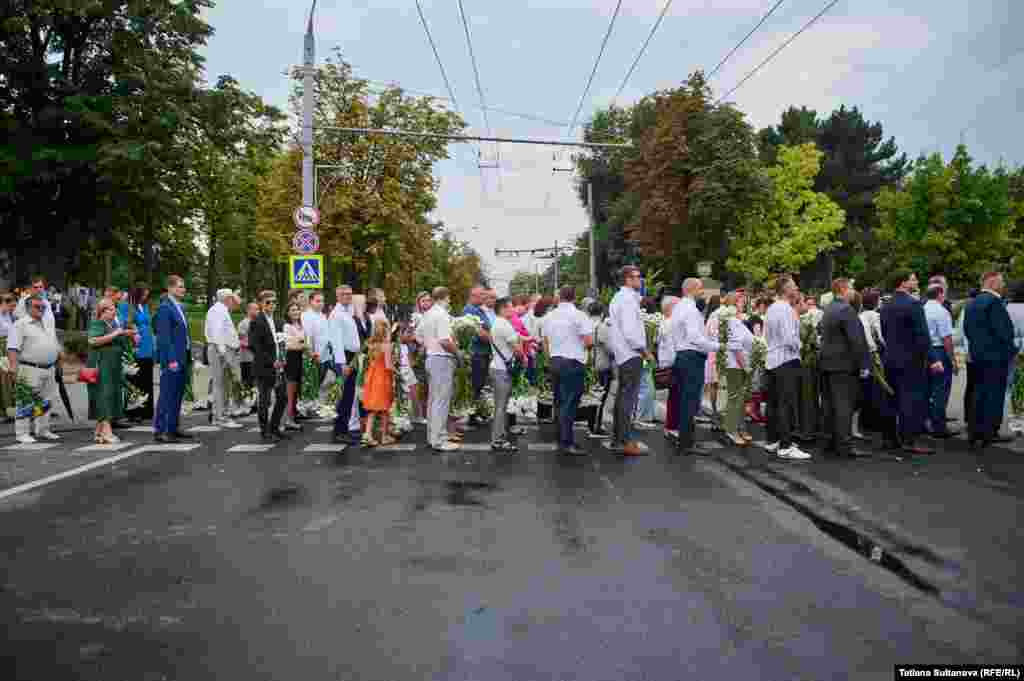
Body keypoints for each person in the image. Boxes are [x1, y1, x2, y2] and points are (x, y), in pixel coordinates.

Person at [880, 270, 934, 455]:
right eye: (913, 279)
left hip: (891, 357)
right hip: (910, 359)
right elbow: (923, 335)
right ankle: (909, 440)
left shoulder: (886, 305)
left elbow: (885, 331)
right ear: (903, 283)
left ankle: (889, 438)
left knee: (891, 399)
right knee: (910, 399)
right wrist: (931, 358)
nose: (916, 280)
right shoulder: (914, 304)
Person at [963, 271, 1017, 450]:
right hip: (996, 356)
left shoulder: (971, 303)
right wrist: (1012, 351)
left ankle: (975, 431)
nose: (1003, 285)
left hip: (978, 355)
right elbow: (1004, 332)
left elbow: (968, 330)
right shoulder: (994, 303)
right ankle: (989, 433)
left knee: (978, 393)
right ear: (992, 282)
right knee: (994, 395)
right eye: (1001, 281)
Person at [818, 279, 871, 458]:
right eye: (851, 288)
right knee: (843, 406)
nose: (853, 292)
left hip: (827, 363)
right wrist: (864, 364)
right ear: (843, 289)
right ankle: (844, 445)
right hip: (843, 365)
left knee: (829, 405)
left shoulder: (829, 309)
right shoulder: (846, 310)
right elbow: (856, 340)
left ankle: (829, 441)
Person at [669, 278, 722, 456]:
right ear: (692, 289)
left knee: (685, 401)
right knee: (690, 402)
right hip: (692, 357)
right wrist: (716, 346)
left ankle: (686, 440)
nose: (703, 292)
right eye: (700, 288)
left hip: (683, 356)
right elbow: (695, 337)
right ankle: (686, 443)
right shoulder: (690, 309)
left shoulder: (679, 307)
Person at [542, 286, 594, 456]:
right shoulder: (580, 315)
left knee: (558, 401)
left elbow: (545, 341)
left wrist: (550, 359)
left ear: (559, 298)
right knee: (570, 403)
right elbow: (588, 341)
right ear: (574, 297)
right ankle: (567, 442)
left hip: (555, 360)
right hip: (573, 362)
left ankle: (560, 437)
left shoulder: (549, 316)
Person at [763, 277, 811, 460]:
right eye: (794, 286)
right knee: (785, 403)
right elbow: (790, 338)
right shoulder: (786, 309)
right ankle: (785, 445)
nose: (797, 288)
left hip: (772, 359)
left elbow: (769, 336)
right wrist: (800, 346)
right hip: (786, 360)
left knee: (774, 403)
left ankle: (772, 440)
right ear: (786, 289)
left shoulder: (772, 308)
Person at [7, 293, 63, 444]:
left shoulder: (48, 323)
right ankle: (22, 432)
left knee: (46, 401)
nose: (41, 309)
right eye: (37, 306)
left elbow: (54, 344)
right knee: (25, 400)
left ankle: (43, 429)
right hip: (29, 367)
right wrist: (13, 368)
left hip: (49, 367)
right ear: (27, 307)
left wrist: (58, 362)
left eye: (43, 306)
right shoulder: (20, 324)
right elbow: (12, 348)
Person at [608, 266, 649, 456]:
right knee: (628, 398)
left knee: (623, 398)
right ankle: (624, 440)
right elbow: (631, 332)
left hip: (623, 353)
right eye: (636, 277)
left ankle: (619, 438)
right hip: (631, 353)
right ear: (626, 279)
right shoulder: (627, 300)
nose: (639, 280)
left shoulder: (622, 298)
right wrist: (644, 351)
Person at [153, 275, 193, 443]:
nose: (182, 290)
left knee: (177, 394)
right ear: (169, 288)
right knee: (167, 394)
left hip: (183, 356)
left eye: (183, 287)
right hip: (173, 358)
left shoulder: (179, 307)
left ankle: (173, 427)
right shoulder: (165, 308)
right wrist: (170, 359)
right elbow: (164, 337)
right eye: (179, 287)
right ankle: (161, 430)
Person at [420, 286, 460, 452]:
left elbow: (419, 336)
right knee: (441, 401)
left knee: (433, 400)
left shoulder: (428, 314)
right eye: (449, 298)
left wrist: (430, 345)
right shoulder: (441, 314)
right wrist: (458, 352)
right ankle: (439, 439)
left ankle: (432, 437)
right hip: (442, 359)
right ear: (445, 297)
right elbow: (444, 341)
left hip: (431, 357)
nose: (449, 301)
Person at [249, 291, 287, 441]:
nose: (272, 305)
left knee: (283, 397)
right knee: (264, 400)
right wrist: (272, 361)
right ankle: (265, 431)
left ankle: (274, 427)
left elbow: (282, 342)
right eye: (268, 302)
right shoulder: (256, 321)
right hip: (264, 367)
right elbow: (255, 347)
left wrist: (282, 358)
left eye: (274, 302)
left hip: (280, 366)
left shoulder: (279, 321)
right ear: (261, 304)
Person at [719, 292, 756, 447]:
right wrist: (745, 365)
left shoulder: (738, 321)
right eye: (741, 302)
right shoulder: (732, 321)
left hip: (741, 363)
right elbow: (735, 346)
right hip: (736, 364)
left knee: (741, 398)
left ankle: (740, 427)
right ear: (734, 304)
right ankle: (731, 430)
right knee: (735, 398)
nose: (743, 304)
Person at [204, 289, 244, 430]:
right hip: (221, 350)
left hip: (223, 349)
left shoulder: (221, 309)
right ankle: (221, 417)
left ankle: (220, 415)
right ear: (228, 299)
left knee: (223, 384)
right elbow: (217, 332)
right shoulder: (218, 310)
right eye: (234, 300)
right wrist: (223, 352)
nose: (236, 304)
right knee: (221, 385)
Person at [923, 284, 957, 438]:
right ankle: (939, 427)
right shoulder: (942, 312)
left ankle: (926, 421)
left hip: (925, 351)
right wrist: (953, 359)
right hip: (939, 350)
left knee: (927, 389)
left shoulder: (922, 309)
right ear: (940, 294)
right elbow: (947, 338)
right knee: (940, 390)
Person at [328, 286, 361, 445]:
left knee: (349, 395)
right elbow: (336, 341)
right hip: (344, 358)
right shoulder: (336, 314)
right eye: (344, 294)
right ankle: (339, 431)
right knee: (344, 396)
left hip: (352, 356)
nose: (348, 296)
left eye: (350, 294)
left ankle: (344, 428)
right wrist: (342, 364)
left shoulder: (347, 312)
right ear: (338, 296)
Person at [489, 297, 523, 453]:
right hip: (502, 370)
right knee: (501, 407)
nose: (513, 309)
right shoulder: (504, 325)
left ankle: (500, 435)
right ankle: (498, 440)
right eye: (510, 307)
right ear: (503, 309)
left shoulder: (497, 323)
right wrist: (521, 347)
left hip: (497, 367)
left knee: (500, 405)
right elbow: (517, 350)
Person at [360, 318, 395, 447]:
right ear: (386, 331)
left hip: (372, 377)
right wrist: (397, 371)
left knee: (373, 408)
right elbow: (388, 365)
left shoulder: (370, 344)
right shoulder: (387, 346)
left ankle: (367, 434)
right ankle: (384, 436)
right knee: (385, 408)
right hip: (383, 377)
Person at [123, 285, 155, 423]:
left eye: (147, 295)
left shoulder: (145, 307)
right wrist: (134, 330)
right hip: (136, 345)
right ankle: (134, 411)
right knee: (136, 379)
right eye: (143, 295)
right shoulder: (129, 307)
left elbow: (149, 322)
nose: (145, 297)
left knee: (146, 378)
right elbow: (126, 323)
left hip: (147, 344)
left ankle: (146, 410)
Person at [462, 287, 493, 427]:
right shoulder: (470, 310)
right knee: (475, 384)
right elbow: (479, 332)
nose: (484, 298)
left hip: (483, 352)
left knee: (479, 384)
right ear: (473, 295)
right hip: (476, 353)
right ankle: (471, 415)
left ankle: (475, 412)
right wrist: (496, 340)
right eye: (482, 295)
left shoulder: (479, 310)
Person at [301, 291, 332, 410]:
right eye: (317, 301)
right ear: (310, 302)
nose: (321, 304)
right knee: (312, 378)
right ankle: (307, 403)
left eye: (322, 301)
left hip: (325, 354)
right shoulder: (307, 316)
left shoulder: (323, 315)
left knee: (320, 379)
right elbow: (308, 336)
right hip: (314, 354)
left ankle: (314, 400)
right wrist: (312, 353)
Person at [587, 302, 613, 439]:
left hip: (587, 365)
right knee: (600, 398)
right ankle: (595, 426)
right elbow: (610, 348)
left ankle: (590, 424)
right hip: (601, 365)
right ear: (602, 313)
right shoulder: (601, 327)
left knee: (590, 397)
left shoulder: (585, 325)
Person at [657, 296, 680, 440]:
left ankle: (671, 425)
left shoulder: (663, 322)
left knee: (673, 396)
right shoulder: (671, 323)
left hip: (667, 362)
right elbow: (673, 346)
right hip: (674, 362)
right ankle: (672, 426)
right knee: (676, 396)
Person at [282, 302, 306, 432]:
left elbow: (302, 341)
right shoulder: (287, 326)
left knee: (296, 391)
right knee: (290, 391)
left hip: (299, 359)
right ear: (288, 313)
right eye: (292, 310)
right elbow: (289, 345)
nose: (296, 312)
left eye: (297, 309)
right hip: (291, 360)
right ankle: (288, 419)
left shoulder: (300, 325)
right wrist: (302, 345)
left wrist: (301, 344)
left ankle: (291, 417)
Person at [0, 293, 16, 422]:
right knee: (4, 380)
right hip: (1, 347)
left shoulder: (8, 316)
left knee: (9, 379)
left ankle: (9, 410)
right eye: (10, 305)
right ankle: (5, 411)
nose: (11, 308)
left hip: (8, 346)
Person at [238, 302, 260, 392]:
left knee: (255, 382)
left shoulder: (258, 323)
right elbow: (241, 340)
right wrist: (253, 346)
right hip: (246, 358)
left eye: (258, 309)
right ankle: (247, 401)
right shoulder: (243, 323)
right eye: (255, 309)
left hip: (257, 358)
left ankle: (254, 402)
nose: (257, 311)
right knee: (247, 382)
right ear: (248, 310)